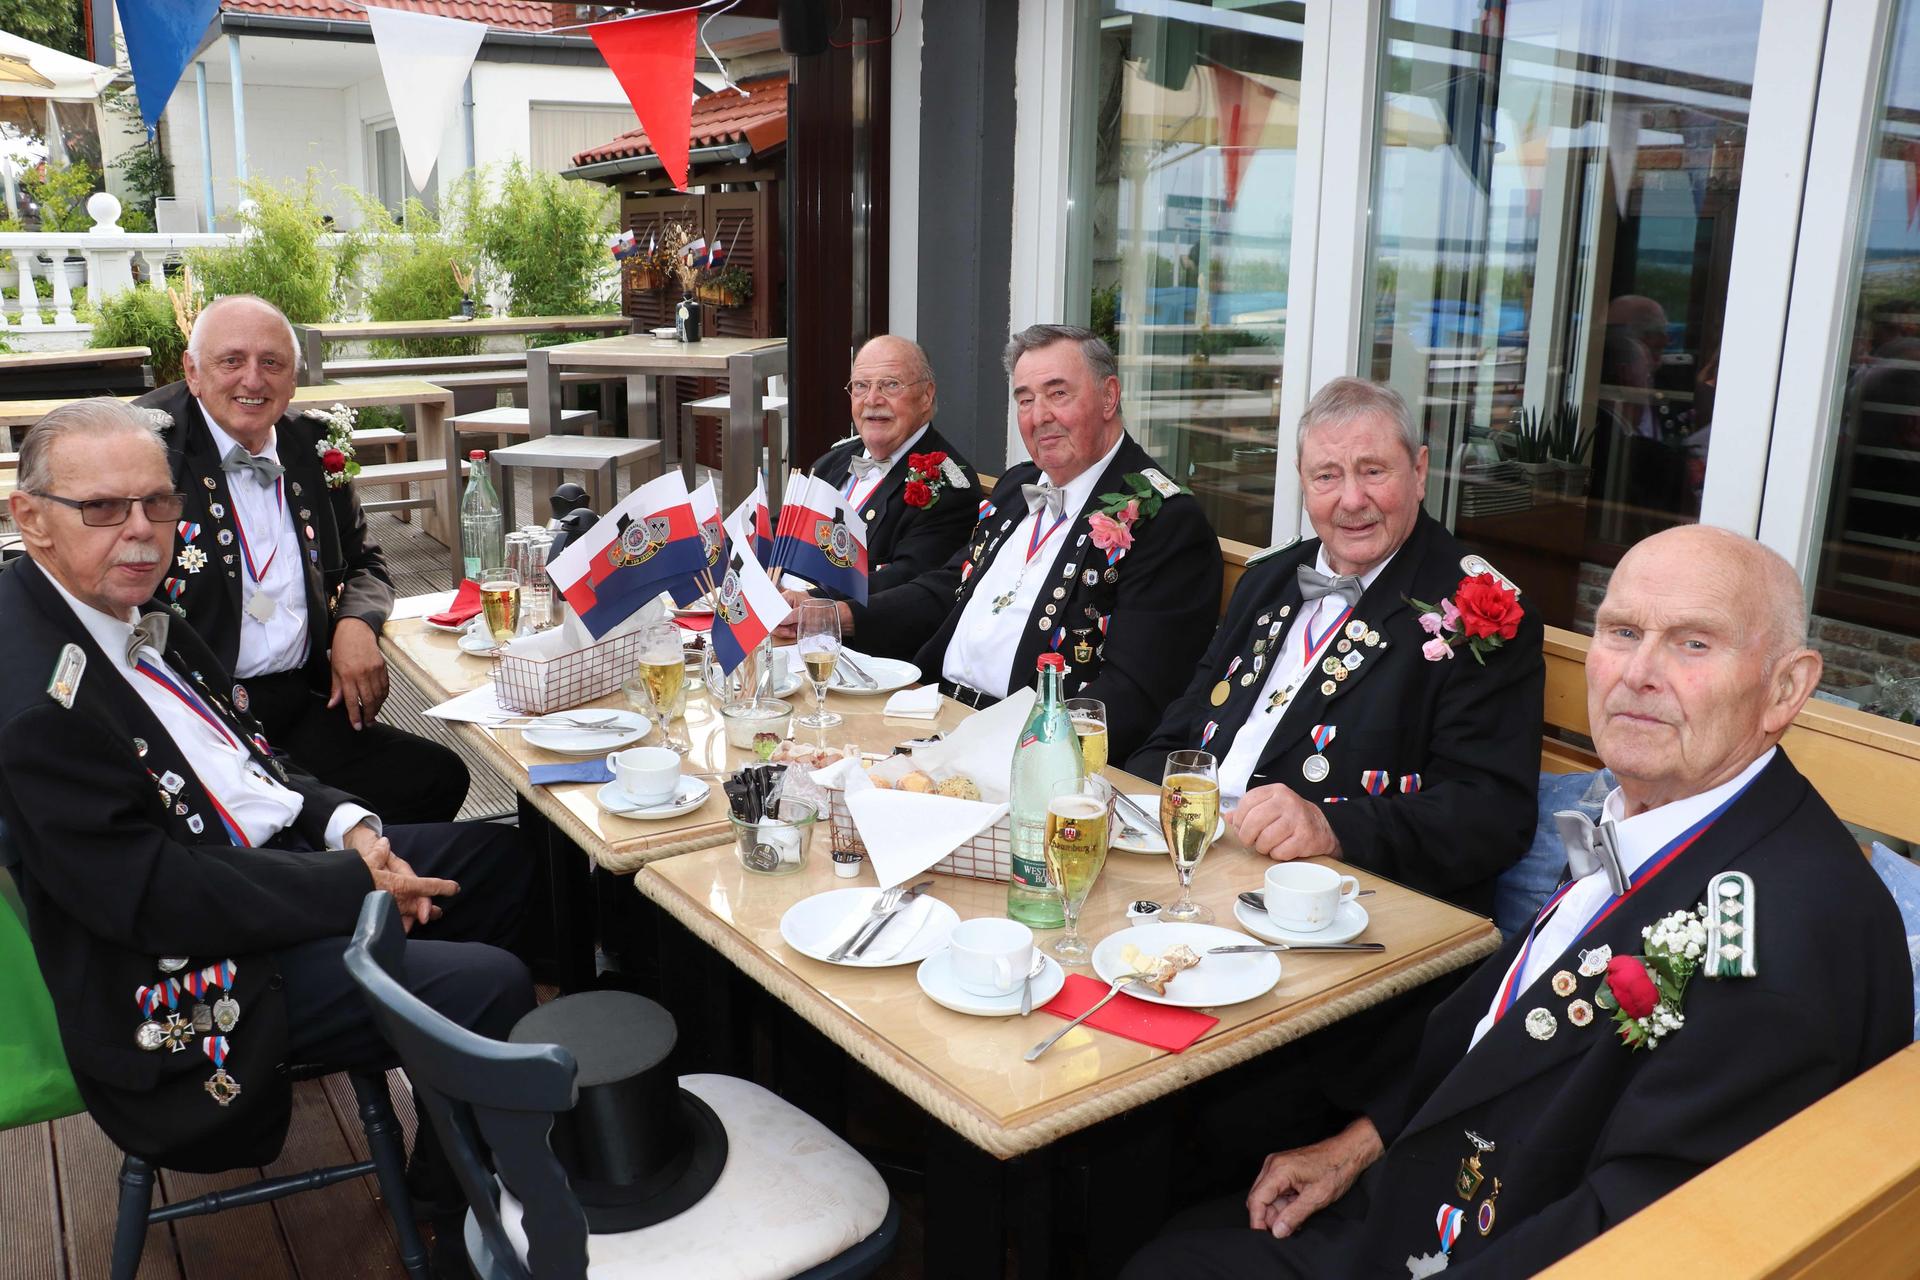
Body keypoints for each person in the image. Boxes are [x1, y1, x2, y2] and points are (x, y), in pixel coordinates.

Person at [1121, 524, 1913, 1278]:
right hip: (1423, 1193)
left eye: (1693, 643)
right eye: (1622, 632)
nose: (1638, 672)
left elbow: (1643, 1237)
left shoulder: (1779, 943)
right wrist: (1358, 1145)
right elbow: (1509, 1028)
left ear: (1785, 689)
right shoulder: (1660, 818)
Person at [0, 399, 534, 1178]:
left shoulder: (133, 608)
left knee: (507, 867)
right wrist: (354, 885)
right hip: (185, 969)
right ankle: (468, 1208)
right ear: (31, 519)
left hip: (260, 869)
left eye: (158, 502)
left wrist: (349, 828)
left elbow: (253, 756)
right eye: (104, 508)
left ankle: (479, 1134)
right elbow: (152, 895)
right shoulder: (34, 702)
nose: (142, 531)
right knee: (488, 984)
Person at [1129, 377, 1542, 913]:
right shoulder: (1270, 579)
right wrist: (1135, 804)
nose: (1352, 500)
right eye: (1327, 476)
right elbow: (1182, 726)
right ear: (1302, 481)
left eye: (1373, 471)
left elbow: (1491, 815)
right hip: (1192, 861)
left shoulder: (1479, 612)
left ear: (1419, 472)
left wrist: (1331, 827)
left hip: (1341, 905)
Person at [797, 324, 1221, 760]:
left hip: (1020, 749)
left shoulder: (1163, 519)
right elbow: (948, 586)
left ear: (1109, 397)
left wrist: (1008, 752)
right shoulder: (1019, 486)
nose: (1039, 416)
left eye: (1058, 394)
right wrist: (840, 616)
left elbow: (1136, 690)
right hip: (929, 713)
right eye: (1025, 399)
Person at [135, 295, 469, 824]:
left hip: (297, 698)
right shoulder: (147, 449)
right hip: (198, 718)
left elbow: (365, 561)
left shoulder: (310, 446)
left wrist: (357, 623)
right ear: (192, 371)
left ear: (293, 379)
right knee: (311, 820)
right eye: (231, 361)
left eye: (272, 363)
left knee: (436, 777)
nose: (253, 379)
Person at [801, 335, 978, 597]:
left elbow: (906, 581)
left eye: (891, 385)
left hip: (841, 619)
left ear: (926, 396)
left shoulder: (948, 487)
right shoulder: (832, 462)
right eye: (861, 386)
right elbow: (783, 527)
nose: (872, 399)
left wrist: (809, 601)